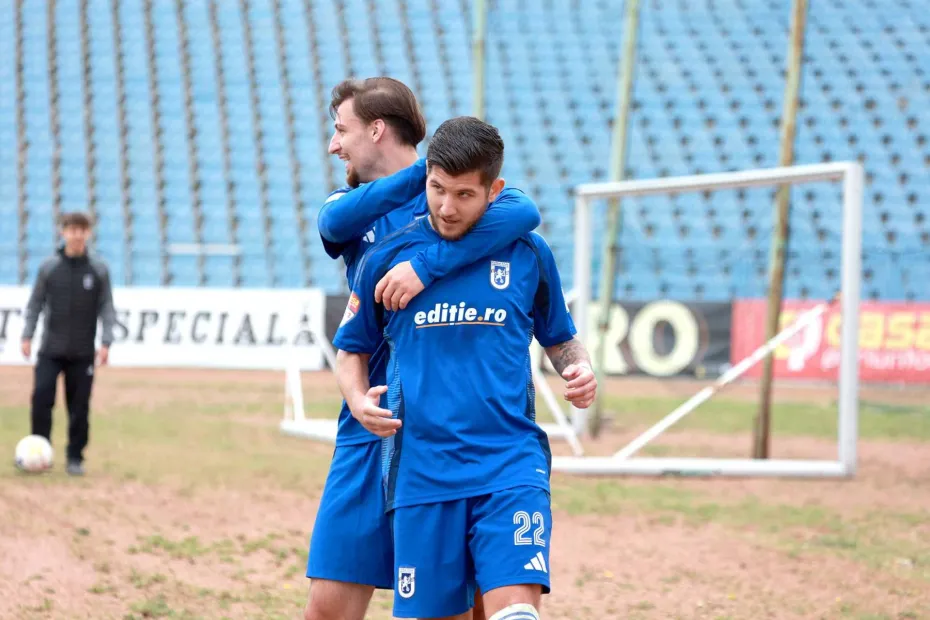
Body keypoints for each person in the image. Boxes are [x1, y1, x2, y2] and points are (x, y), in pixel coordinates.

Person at [332, 116, 597, 620]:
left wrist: (579, 368)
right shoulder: (386, 258)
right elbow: (351, 348)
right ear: (425, 177)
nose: (447, 207)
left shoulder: (527, 254)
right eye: (437, 189)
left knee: (515, 611)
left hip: (509, 466)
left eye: (464, 194)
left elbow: (561, 338)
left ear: (494, 191)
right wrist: (357, 398)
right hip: (420, 474)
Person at [305, 78, 542, 620]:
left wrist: (429, 263)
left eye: (340, 130)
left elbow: (525, 211)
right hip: (373, 422)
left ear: (377, 129)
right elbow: (332, 223)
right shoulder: (354, 206)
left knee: (476, 606)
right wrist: (426, 168)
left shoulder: (459, 199)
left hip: (454, 432)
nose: (332, 144)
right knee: (327, 606)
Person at [20, 211, 116, 476]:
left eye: (82, 230)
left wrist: (106, 341)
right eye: (72, 229)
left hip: (83, 353)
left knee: (79, 407)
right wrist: (27, 335)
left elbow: (106, 307)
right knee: (41, 399)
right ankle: (40, 452)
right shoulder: (49, 267)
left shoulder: (98, 269)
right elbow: (35, 304)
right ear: (62, 232)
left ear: (88, 233)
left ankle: (75, 457)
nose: (77, 234)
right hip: (51, 350)